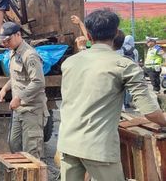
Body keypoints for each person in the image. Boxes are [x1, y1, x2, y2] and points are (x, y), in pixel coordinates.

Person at [58, 9, 166, 180]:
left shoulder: (70, 63)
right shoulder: (124, 66)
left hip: (68, 142)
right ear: (116, 33)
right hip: (98, 147)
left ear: (89, 35)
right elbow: (150, 111)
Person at [0, 22, 47, 158]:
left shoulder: (29, 55)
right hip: (18, 110)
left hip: (32, 110)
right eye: (3, 41)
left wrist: (19, 97)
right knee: (14, 144)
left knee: (31, 152)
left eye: (8, 41)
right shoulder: (13, 52)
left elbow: (38, 82)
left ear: (18, 35)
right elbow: (16, 77)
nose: (5, 44)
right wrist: (4, 89)